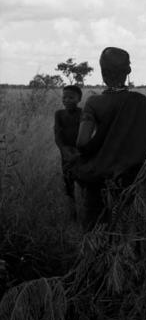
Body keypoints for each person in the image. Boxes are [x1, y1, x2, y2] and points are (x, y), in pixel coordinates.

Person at [71, 47, 146, 231]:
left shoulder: (94, 103)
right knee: (128, 230)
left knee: (96, 231)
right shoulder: (142, 102)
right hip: (131, 179)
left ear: (102, 71)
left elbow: (81, 143)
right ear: (128, 71)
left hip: (97, 179)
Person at [54, 85, 82, 220]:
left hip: (80, 154)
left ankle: (84, 210)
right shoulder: (59, 114)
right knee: (68, 183)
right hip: (66, 154)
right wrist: (64, 150)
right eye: (64, 97)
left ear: (79, 99)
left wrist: (79, 152)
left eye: (71, 97)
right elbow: (57, 135)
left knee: (83, 182)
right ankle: (73, 213)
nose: (67, 100)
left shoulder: (83, 113)